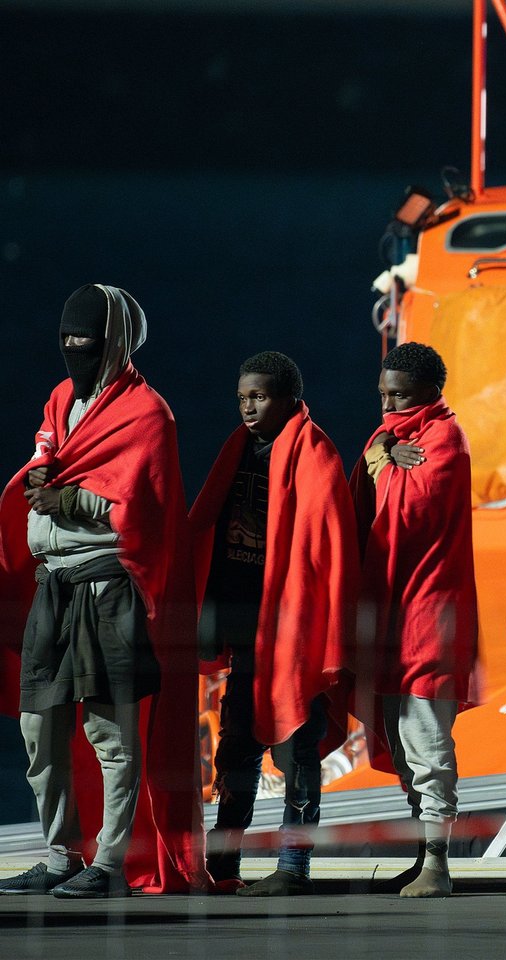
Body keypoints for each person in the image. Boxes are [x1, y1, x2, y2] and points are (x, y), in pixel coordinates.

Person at [0, 284, 203, 898]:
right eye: (67, 343)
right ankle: (61, 854)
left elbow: (145, 508)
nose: (74, 354)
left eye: (86, 345)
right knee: (39, 726)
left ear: (116, 341)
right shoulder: (62, 397)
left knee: (110, 733)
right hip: (51, 585)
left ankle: (110, 864)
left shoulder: (147, 413)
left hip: (108, 586)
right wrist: (42, 474)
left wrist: (73, 497)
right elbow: (46, 448)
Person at [190, 351, 359, 896]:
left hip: (293, 635)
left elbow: (328, 548)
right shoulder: (236, 451)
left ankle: (294, 866)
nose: (248, 407)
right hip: (246, 628)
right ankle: (223, 862)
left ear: (288, 397)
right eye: (242, 397)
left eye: (259, 396)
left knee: (297, 751)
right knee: (236, 747)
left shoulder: (315, 453)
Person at [351, 343, 481, 898]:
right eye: (382, 393)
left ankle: (438, 865)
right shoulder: (396, 437)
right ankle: (423, 855)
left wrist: (383, 464)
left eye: (398, 394)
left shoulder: (444, 438)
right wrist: (381, 453)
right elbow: (368, 493)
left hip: (429, 613)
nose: (387, 403)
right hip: (391, 611)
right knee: (401, 745)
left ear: (430, 391)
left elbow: (415, 512)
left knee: (427, 742)